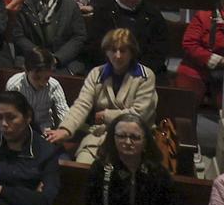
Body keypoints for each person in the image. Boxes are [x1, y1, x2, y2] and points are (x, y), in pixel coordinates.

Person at [49, 29, 157, 164]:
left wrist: (106, 115)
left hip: (134, 138)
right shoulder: (96, 73)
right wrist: (65, 130)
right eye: (113, 50)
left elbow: (138, 115)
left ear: (132, 52)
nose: (117, 56)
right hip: (101, 136)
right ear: (106, 52)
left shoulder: (145, 76)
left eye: (123, 51)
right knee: (82, 165)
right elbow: (82, 104)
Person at [7, 0, 83, 70]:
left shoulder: (70, 6)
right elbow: (18, 36)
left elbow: (79, 37)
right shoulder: (26, 5)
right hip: (32, 57)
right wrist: (39, 55)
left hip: (62, 60)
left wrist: (58, 58)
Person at [89, 0, 167, 73]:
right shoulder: (104, 10)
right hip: (107, 66)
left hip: (143, 69)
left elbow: (159, 48)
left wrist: (138, 69)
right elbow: (95, 45)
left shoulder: (152, 14)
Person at [178, 0, 224, 100]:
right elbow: (189, 44)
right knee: (185, 102)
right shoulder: (204, 17)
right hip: (198, 67)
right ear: (222, 2)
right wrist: (216, 59)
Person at [4, 48, 70, 132]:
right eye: (36, 78)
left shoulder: (54, 85)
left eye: (47, 78)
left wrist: (63, 130)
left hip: (45, 128)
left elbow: (63, 111)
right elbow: (9, 113)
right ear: (26, 71)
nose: (42, 83)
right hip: (20, 128)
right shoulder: (15, 85)